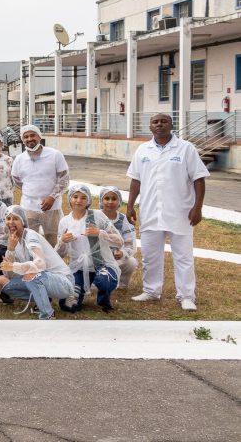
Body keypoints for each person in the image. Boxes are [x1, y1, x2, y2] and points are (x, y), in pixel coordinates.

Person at [126, 112, 209, 311]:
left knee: (183, 256)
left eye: (164, 121)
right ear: (150, 127)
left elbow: (199, 179)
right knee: (150, 255)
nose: (159, 124)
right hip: (151, 211)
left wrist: (197, 207)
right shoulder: (142, 150)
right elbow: (135, 180)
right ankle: (151, 290)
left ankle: (186, 295)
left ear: (171, 125)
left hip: (180, 212)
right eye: (155, 122)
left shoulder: (186, 149)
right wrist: (129, 206)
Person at [0, 205, 75, 320]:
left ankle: (48, 315)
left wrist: (14, 266)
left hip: (63, 282)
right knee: (0, 281)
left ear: (23, 221)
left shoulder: (30, 235)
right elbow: (9, 275)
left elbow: (40, 264)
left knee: (31, 274)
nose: (11, 222)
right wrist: (11, 250)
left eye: (15, 218)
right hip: (41, 279)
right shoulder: (13, 239)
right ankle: (43, 299)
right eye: (8, 218)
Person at [54, 184, 123, 313]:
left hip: (101, 264)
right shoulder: (65, 221)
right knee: (67, 306)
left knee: (105, 281)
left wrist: (100, 233)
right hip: (79, 267)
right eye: (75, 197)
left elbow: (120, 241)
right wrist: (62, 241)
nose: (78, 201)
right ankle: (78, 295)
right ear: (70, 198)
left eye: (83, 198)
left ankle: (104, 300)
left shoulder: (97, 215)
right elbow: (59, 254)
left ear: (88, 201)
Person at [11, 124, 69, 247]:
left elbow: (64, 179)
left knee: (53, 240)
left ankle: (53, 265)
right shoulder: (19, 159)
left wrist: (52, 197)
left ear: (39, 136)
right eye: (25, 137)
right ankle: (33, 264)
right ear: (22, 140)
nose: (29, 139)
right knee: (28, 239)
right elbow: (17, 180)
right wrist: (31, 192)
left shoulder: (54, 155)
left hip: (52, 207)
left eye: (32, 135)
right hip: (28, 206)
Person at [98, 186, 138, 289]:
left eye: (114, 199)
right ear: (101, 200)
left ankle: (121, 284)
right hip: (97, 257)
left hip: (116, 257)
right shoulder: (96, 216)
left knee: (131, 262)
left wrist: (122, 253)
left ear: (119, 201)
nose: (110, 202)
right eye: (107, 198)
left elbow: (130, 243)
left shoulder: (123, 219)